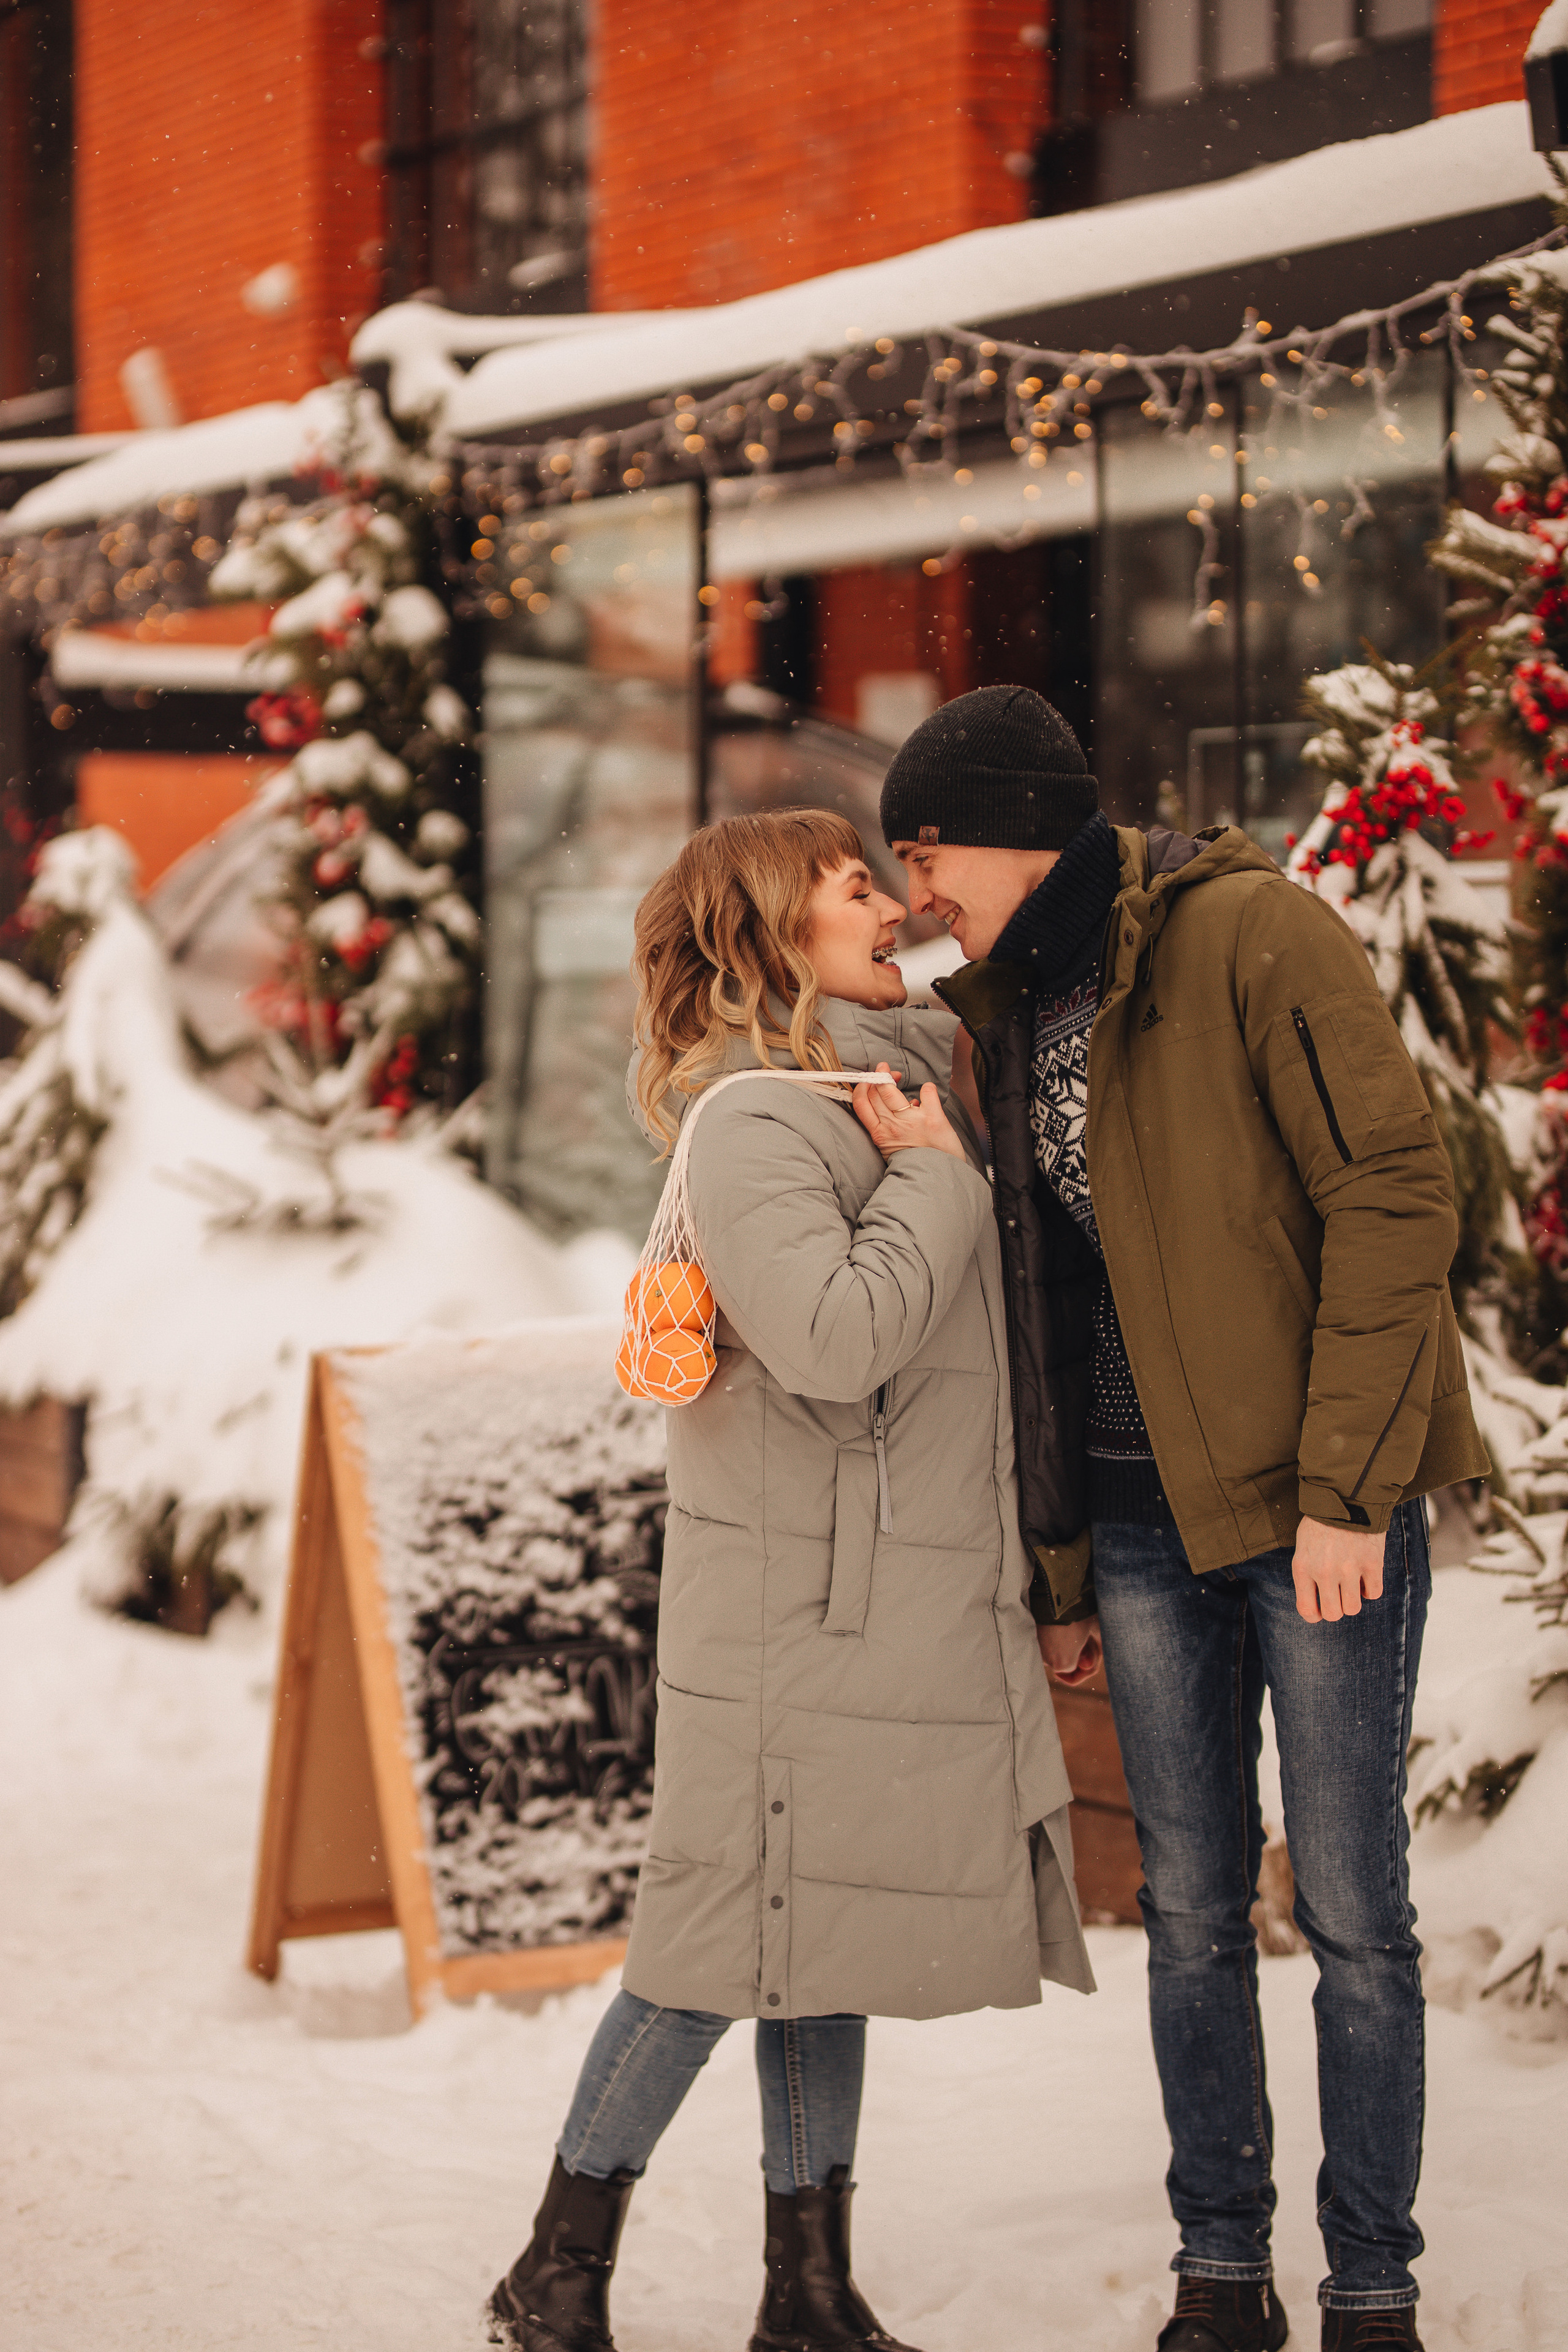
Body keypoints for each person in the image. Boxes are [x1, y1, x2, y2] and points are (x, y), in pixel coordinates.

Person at [867, 685, 1490, 2352]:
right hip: (1142, 1538)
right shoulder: (1001, 1012)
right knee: (1193, 1911)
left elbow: (1393, 1192)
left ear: (1004, 821)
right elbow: (1047, 1312)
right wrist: (1062, 1562)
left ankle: (1373, 2289)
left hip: (1314, 1518)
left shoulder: (1252, 939)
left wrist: (1353, 1490)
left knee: (1352, 1910)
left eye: (924, 855)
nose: (919, 894)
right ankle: (1224, 2270)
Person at [486, 806, 1093, 2352]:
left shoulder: (870, 1085)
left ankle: (806, 2289)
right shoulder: (756, 1117)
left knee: (819, 1940)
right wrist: (938, 1179)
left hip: (872, 1598)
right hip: (788, 1617)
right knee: (712, 1944)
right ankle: (554, 2269)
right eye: (851, 888)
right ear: (774, 935)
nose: (890, 907)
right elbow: (833, 1341)